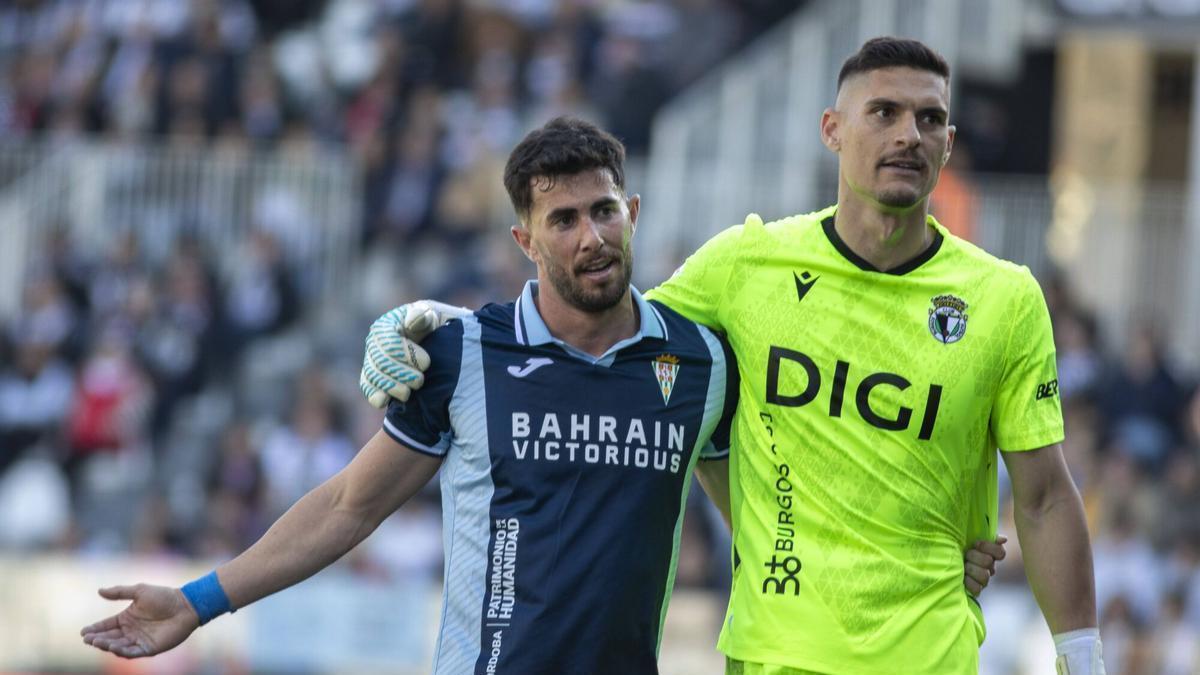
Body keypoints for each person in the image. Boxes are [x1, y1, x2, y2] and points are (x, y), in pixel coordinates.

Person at [80, 117, 1000, 674]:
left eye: (604, 210)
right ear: (527, 239)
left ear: (631, 212)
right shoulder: (465, 354)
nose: (590, 235)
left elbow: (771, 508)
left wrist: (923, 552)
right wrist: (199, 599)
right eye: (563, 219)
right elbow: (347, 503)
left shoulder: (702, 363)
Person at [358, 38, 1102, 674]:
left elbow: (1042, 495)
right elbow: (597, 322)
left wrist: (1084, 656)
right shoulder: (746, 265)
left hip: (929, 650)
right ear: (833, 130)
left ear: (948, 141)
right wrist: (436, 320)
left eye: (930, 118)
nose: (909, 133)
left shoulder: (1004, 299)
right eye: (885, 113)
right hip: (774, 647)